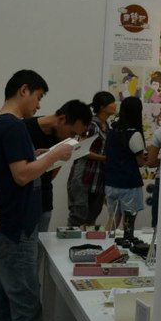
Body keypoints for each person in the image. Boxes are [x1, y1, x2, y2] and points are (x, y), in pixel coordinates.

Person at [0, 69, 74, 321]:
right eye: (38, 97)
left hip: (8, 223)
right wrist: (53, 156)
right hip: (17, 225)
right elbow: (21, 175)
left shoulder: (2, 126)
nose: (38, 106)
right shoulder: (12, 126)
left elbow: (19, 168)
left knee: (3, 302)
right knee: (26, 304)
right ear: (24, 90)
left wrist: (41, 157)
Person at [24, 99, 91, 232]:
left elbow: (50, 175)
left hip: (44, 203)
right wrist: (50, 157)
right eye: (72, 133)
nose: (71, 138)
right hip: (22, 205)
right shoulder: (24, 129)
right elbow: (20, 173)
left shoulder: (61, 137)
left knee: (41, 244)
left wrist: (59, 158)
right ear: (61, 119)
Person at [67, 91, 116, 228]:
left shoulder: (108, 128)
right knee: (78, 215)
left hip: (98, 179)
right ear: (102, 107)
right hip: (83, 176)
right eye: (111, 102)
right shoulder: (92, 125)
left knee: (92, 216)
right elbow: (79, 149)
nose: (114, 105)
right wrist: (102, 158)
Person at [104, 96, 147, 239]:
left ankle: (106, 245)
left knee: (112, 220)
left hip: (111, 183)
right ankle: (127, 245)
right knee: (128, 222)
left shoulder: (112, 131)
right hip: (129, 184)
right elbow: (140, 162)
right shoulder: (134, 134)